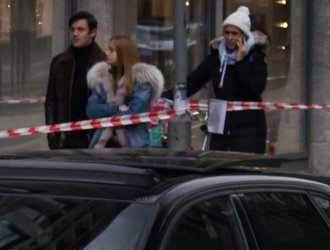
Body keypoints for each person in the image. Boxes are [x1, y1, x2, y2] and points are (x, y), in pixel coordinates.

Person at [177, 6, 269, 153]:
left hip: (248, 130)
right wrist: (165, 97)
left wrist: (240, 62)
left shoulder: (256, 57)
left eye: (235, 33)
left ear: (244, 36)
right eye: (227, 33)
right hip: (221, 128)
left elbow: (255, 88)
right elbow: (194, 81)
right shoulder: (217, 56)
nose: (230, 38)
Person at [86, 37, 164, 149]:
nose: (107, 53)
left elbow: (134, 113)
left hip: (134, 148)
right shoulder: (103, 79)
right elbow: (91, 111)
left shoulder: (141, 81)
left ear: (123, 54)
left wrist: (105, 114)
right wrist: (116, 108)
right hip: (103, 148)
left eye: (111, 50)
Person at [44, 11, 106, 150]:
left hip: (95, 138)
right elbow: (51, 103)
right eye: (72, 29)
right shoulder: (60, 63)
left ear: (92, 32)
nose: (75, 34)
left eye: (80, 30)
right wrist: (52, 136)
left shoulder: (103, 63)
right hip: (65, 139)